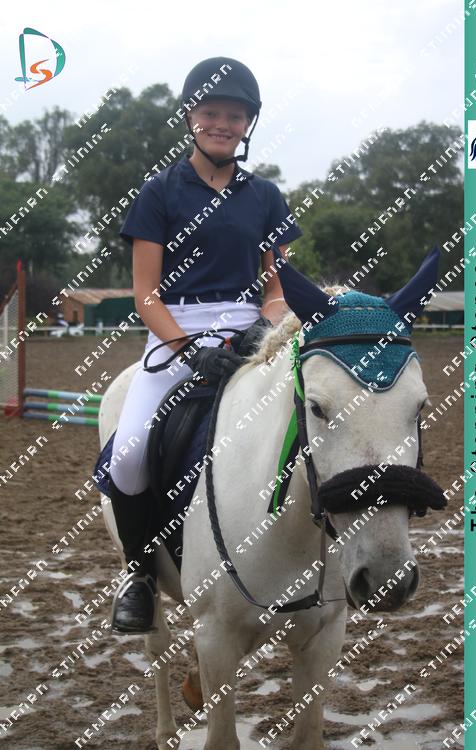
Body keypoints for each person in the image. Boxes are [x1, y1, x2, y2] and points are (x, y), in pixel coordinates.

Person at [109, 56, 303, 634]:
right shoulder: (158, 192)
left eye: (234, 116)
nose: (222, 124)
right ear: (191, 118)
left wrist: (263, 330)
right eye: (211, 113)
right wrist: (189, 349)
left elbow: (276, 286)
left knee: (310, 414)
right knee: (128, 455)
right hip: (176, 331)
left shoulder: (265, 196)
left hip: (251, 330)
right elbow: (145, 294)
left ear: (248, 124)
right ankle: (140, 575)